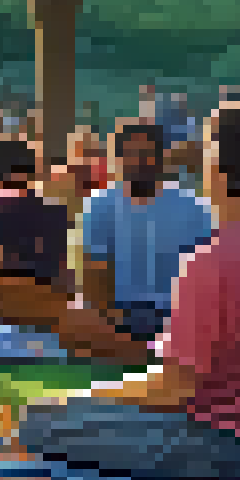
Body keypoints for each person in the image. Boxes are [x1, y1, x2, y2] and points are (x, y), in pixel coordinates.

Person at [20, 99, 240, 480]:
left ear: (218, 170)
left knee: (42, 419)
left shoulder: (211, 261)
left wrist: (83, 397)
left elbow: (173, 389)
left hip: (208, 453)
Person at [79, 122, 214, 344]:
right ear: (119, 159)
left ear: (162, 157)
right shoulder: (101, 205)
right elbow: (94, 272)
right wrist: (109, 324)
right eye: (131, 154)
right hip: (122, 316)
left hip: (181, 315)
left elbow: (207, 270)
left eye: (147, 154)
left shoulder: (194, 208)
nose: (139, 161)